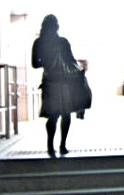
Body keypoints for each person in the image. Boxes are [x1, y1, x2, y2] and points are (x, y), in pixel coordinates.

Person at [31, 14, 90, 157]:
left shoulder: (39, 42)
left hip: (49, 81)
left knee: (53, 116)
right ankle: (63, 145)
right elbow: (71, 62)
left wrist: (46, 61)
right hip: (64, 82)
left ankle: (50, 147)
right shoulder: (63, 42)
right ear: (57, 27)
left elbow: (34, 64)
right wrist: (80, 71)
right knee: (66, 114)